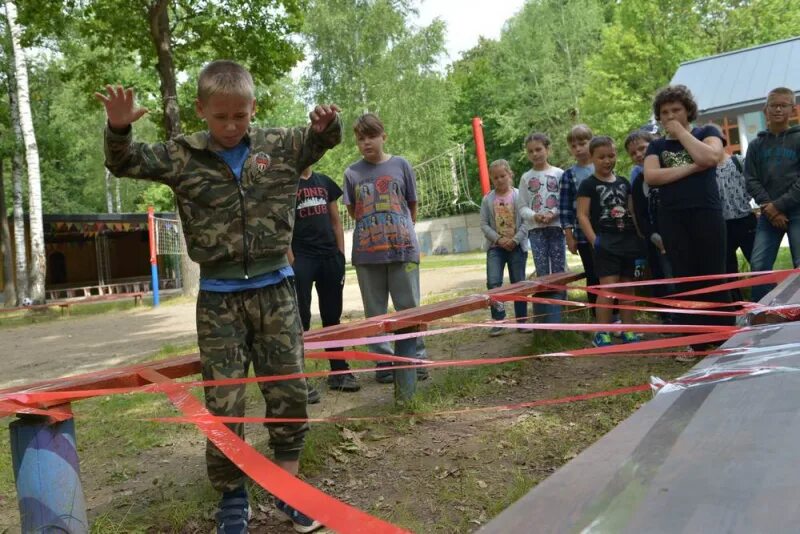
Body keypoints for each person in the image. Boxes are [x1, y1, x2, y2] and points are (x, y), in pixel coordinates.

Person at [96, 60, 341, 534]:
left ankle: (288, 487)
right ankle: (232, 496)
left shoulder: (279, 144)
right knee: (224, 403)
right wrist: (118, 127)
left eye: (240, 117)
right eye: (221, 117)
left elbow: (321, 141)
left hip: (276, 290)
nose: (231, 127)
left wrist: (328, 123)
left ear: (254, 110)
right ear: (201, 110)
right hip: (219, 300)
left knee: (288, 389)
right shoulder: (183, 155)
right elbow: (124, 162)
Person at [643, 84, 733, 353]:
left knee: (714, 272)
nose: (670, 116)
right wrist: (694, 167)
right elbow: (652, 177)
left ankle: (723, 335)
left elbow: (712, 156)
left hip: (706, 213)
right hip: (672, 218)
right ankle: (696, 340)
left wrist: (681, 133)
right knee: (685, 276)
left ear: (688, 111)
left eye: (676, 110)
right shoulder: (656, 146)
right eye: (665, 112)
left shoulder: (708, 132)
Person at [343, 113, 427, 386]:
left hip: (402, 250)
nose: (366, 143)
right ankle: (383, 362)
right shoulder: (351, 173)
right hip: (368, 254)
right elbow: (354, 212)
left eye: (371, 136)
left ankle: (415, 359)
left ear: (383, 136)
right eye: (360, 138)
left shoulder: (401, 165)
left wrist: (401, 230)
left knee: (408, 307)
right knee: (375, 311)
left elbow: (411, 204)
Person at [289, 166, 360, 393]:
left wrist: (340, 254)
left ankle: (339, 372)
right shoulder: (286, 185)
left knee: (332, 316)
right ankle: (300, 379)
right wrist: (292, 261)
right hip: (302, 260)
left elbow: (336, 221)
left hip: (330, 257)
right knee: (301, 319)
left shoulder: (324, 182)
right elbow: (283, 228)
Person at [577, 136, 644, 347]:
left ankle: (629, 330)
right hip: (605, 244)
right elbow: (582, 215)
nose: (607, 161)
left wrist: (640, 238)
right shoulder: (588, 184)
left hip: (628, 242)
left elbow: (632, 211)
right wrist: (595, 241)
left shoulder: (624, 182)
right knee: (607, 289)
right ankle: (602, 332)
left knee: (627, 288)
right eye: (601, 157)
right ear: (592, 159)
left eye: (611, 156)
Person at [745, 87, 800, 302]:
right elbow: (750, 179)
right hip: (769, 215)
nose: (777, 109)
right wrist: (770, 207)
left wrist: (779, 205)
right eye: (773, 105)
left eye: (783, 105)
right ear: (765, 109)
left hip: (797, 210)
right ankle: (764, 313)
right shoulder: (756, 145)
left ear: (792, 109)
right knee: (759, 265)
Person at [626, 128, 675, 324]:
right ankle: (668, 317)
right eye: (633, 153)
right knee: (662, 277)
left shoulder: (670, 168)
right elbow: (639, 212)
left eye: (642, 148)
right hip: (655, 237)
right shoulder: (638, 180)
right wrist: (651, 235)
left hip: (677, 233)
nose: (638, 154)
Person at [517, 132, 566, 323]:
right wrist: (535, 216)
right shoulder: (525, 177)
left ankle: (562, 309)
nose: (535, 154)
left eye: (538, 149)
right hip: (535, 230)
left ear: (548, 149)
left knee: (559, 268)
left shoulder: (559, 173)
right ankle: (546, 313)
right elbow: (521, 206)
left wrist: (553, 213)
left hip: (555, 227)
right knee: (542, 268)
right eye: (531, 151)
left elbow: (564, 200)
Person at [480, 159, 530, 335]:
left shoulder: (519, 196)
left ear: (510, 175)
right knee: (494, 283)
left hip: (516, 247)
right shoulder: (487, 200)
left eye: (503, 175)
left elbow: (526, 221)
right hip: (496, 248)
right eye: (496, 177)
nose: (500, 180)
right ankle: (499, 320)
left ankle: (522, 321)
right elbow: (484, 224)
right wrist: (499, 239)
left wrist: (515, 240)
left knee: (519, 283)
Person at [559, 125, 600, 315]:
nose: (578, 148)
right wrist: (569, 236)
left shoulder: (602, 165)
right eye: (573, 145)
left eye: (582, 143)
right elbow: (565, 207)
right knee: (593, 274)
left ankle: (617, 314)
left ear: (591, 142)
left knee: (612, 275)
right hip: (583, 235)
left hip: (607, 230)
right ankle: (598, 316)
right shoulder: (569, 175)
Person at [715, 148, 756, 301]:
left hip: (745, 219)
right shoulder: (706, 169)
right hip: (721, 225)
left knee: (758, 263)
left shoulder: (739, 161)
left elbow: (753, 183)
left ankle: (765, 302)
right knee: (728, 269)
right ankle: (737, 306)